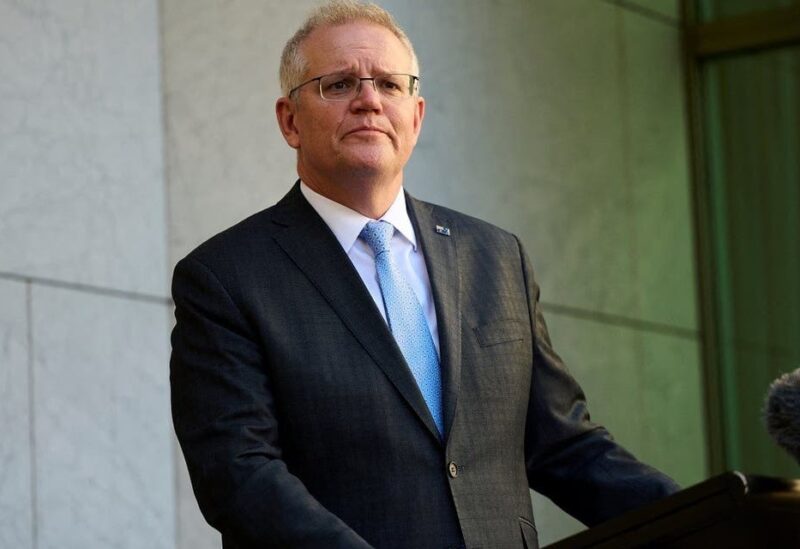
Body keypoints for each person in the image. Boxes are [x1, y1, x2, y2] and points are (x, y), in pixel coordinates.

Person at [169, 2, 679, 548]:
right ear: (290, 121)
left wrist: (716, 518)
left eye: (389, 85)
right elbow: (239, 475)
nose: (369, 101)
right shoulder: (226, 277)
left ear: (415, 115)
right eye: (339, 84)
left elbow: (563, 445)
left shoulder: (497, 258)